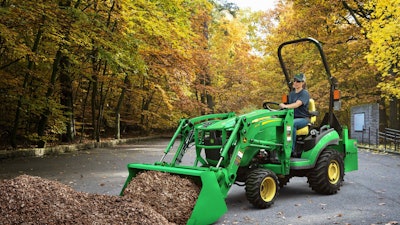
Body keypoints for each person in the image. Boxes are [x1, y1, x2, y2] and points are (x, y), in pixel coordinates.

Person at [279, 73, 310, 156]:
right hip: (291, 117)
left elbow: (296, 104)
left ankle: (290, 150)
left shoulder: (304, 94)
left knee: (291, 124)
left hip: (303, 118)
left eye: (298, 81)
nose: (296, 83)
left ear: (302, 83)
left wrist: (285, 106)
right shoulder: (292, 94)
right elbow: (287, 105)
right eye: (295, 81)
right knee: (277, 121)